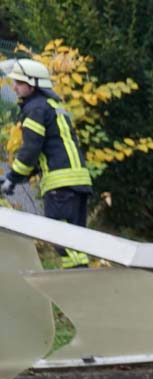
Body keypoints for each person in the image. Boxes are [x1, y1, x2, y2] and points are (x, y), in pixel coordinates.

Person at [1, 58, 92, 268]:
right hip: (78, 183)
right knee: (76, 241)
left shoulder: (35, 109)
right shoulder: (52, 105)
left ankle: (81, 278)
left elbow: (31, 149)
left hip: (61, 186)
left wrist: (13, 177)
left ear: (32, 85)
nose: (14, 87)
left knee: (61, 237)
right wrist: (16, 178)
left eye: (19, 83)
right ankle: (80, 283)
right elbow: (48, 149)